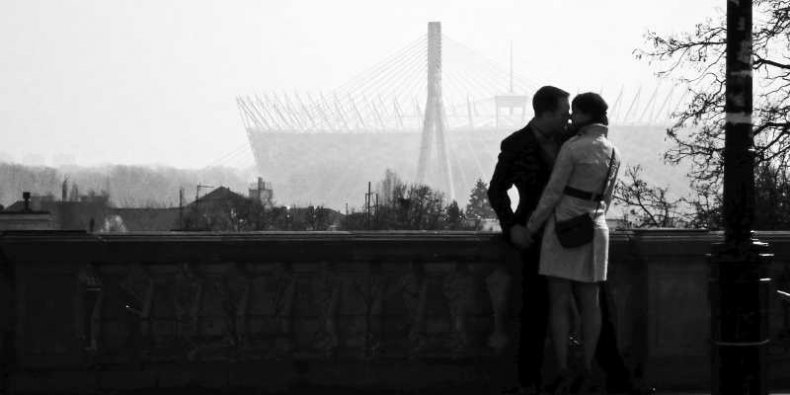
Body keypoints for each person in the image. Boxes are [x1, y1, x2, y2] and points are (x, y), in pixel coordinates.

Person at [489, 88, 650, 395]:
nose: (569, 117)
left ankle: (610, 377)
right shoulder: (516, 144)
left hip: (573, 232)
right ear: (546, 112)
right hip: (536, 238)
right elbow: (496, 190)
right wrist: (512, 227)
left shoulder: (573, 141)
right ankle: (532, 381)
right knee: (534, 310)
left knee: (596, 306)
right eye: (564, 112)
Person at [524, 92, 618, 393]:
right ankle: (588, 368)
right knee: (591, 304)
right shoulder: (612, 151)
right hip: (596, 228)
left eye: (573, 112)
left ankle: (564, 369)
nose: (569, 118)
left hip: (565, 228)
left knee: (559, 302)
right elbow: (607, 198)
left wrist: (531, 226)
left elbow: (552, 193)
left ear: (584, 115)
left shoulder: (572, 148)